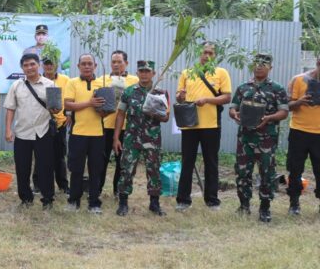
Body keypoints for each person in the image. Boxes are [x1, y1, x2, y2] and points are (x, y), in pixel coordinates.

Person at [229, 54, 288, 223]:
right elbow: (232, 108)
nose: (259, 66)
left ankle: (265, 208)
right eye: (257, 63)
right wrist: (235, 114)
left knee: (267, 173)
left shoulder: (277, 88)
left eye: (264, 64)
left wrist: (269, 118)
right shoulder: (243, 88)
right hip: (245, 139)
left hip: (267, 139)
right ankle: (244, 205)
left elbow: (284, 112)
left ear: (270, 67)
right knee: (242, 172)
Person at [175, 42, 232, 210]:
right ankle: (183, 200)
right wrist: (180, 96)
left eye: (210, 53)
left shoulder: (221, 73)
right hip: (189, 124)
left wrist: (207, 100)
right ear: (198, 53)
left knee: (211, 162)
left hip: (211, 125)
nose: (206, 56)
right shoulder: (187, 73)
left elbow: (227, 97)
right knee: (187, 162)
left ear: (215, 55)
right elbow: (179, 97)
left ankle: (212, 200)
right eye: (204, 52)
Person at [113, 60, 170, 216]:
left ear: (153, 73)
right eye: (141, 71)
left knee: (154, 171)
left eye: (147, 71)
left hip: (152, 139)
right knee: (126, 170)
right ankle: (123, 203)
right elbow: (120, 115)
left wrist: (153, 112)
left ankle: (154, 204)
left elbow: (166, 118)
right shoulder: (129, 91)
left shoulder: (160, 93)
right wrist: (116, 137)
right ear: (137, 73)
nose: (144, 74)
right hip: (132, 138)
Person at [4, 53, 56, 209]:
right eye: (26, 65)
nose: (29, 68)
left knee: (45, 168)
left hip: (43, 131)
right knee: (22, 168)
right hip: (22, 133)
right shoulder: (16, 86)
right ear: (22, 68)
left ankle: (47, 199)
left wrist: (56, 107)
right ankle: (26, 199)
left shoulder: (50, 84)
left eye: (32, 64)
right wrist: (8, 129)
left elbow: (56, 108)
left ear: (38, 65)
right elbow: (10, 109)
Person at [64, 53, 107, 213]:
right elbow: (67, 105)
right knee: (76, 168)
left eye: (90, 64)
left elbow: (107, 109)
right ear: (78, 66)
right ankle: (73, 200)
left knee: (96, 169)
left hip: (97, 134)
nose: (87, 66)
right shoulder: (72, 83)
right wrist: (89, 103)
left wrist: (104, 110)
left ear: (95, 66)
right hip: (78, 133)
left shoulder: (102, 83)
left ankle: (94, 202)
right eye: (84, 64)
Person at [100, 50, 139, 197]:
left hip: (126, 128)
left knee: (122, 162)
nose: (116, 65)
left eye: (119, 62)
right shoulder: (102, 79)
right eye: (113, 62)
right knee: (101, 162)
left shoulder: (135, 81)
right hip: (104, 127)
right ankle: (97, 189)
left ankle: (118, 191)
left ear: (126, 63)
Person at [285, 55, 320, 215]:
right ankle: (294, 203)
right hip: (299, 132)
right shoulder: (298, 80)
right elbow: (286, 106)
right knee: (295, 169)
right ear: (318, 63)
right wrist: (299, 102)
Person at [39, 54, 69, 194]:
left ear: (56, 64)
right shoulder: (38, 80)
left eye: (52, 63)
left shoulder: (65, 80)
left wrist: (69, 114)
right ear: (42, 65)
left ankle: (63, 185)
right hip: (42, 123)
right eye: (46, 63)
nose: (49, 66)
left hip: (59, 124)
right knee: (40, 156)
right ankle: (38, 184)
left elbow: (70, 98)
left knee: (59, 156)